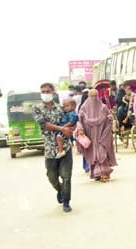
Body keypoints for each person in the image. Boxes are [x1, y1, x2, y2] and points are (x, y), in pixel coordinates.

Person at [33, 82, 74, 212]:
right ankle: (60, 190)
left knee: (66, 176)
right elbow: (44, 124)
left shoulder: (61, 108)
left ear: (53, 93)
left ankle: (66, 202)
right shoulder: (36, 108)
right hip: (50, 149)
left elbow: (71, 120)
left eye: (47, 91)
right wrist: (61, 128)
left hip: (65, 146)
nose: (45, 94)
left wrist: (72, 129)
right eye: (43, 92)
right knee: (52, 177)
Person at [75, 89, 117, 182]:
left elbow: (109, 118)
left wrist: (110, 119)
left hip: (101, 134)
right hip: (89, 135)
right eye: (91, 96)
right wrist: (80, 129)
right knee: (92, 154)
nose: (93, 98)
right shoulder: (83, 108)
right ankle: (96, 173)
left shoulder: (103, 107)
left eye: (95, 96)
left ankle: (104, 172)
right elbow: (78, 120)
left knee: (102, 153)